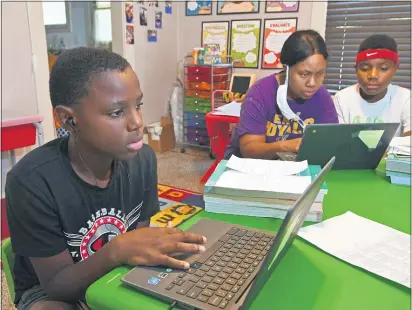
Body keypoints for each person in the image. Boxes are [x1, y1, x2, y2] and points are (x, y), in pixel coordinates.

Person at [6, 47, 207, 310]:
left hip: (116, 268)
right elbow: (56, 285)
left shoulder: (143, 160)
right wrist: (117, 250)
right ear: (69, 119)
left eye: (138, 105)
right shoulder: (31, 182)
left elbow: (140, 239)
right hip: (53, 291)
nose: (137, 123)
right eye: (116, 112)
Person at [225, 29, 338, 160]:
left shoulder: (322, 97)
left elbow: (330, 143)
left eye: (319, 74)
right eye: (304, 74)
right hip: (252, 168)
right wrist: (285, 146)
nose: (312, 83)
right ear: (286, 68)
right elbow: (249, 150)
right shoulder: (260, 93)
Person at [333, 34, 410, 137]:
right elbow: (338, 140)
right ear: (355, 69)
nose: (373, 76)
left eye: (383, 68)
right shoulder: (342, 98)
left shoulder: (405, 98)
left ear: (395, 68)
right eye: (365, 68)